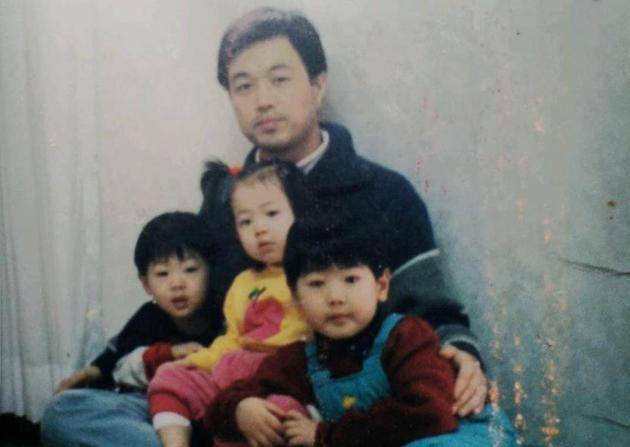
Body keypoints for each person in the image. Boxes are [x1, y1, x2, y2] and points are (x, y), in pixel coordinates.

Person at [199, 6, 488, 417]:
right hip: (244, 404)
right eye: (243, 86)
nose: (263, 101)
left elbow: (432, 311)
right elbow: (193, 311)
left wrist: (462, 354)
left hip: (358, 408)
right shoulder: (223, 200)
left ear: (318, 85)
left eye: (280, 80)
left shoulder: (385, 193)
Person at [208, 217, 518, 447]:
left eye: (351, 280)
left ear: (381, 286)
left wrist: (325, 436)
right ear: (297, 300)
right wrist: (239, 409)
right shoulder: (301, 360)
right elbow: (222, 404)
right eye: (317, 284)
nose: (335, 297)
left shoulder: (405, 336)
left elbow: (430, 412)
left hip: (456, 437)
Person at [147, 161, 313, 447]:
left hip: (281, 378)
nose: (259, 229)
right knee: (171, 377)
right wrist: (197, 361)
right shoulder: (243, 283)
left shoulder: (312, 275)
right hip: (233, 373)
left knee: (280, 413)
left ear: (301, 214)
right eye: (245, 221)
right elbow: (232, 339)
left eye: (271, 214)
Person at [40, 212, 222, 447]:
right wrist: (91, 372)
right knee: (60, 410)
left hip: (197, 415)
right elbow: (116, 355)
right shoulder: (148, 316)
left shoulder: (225, 315)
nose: (177, 284)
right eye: (162, 274)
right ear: (146, 284)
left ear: (211, 271)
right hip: (144, 412)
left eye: (190, 269)